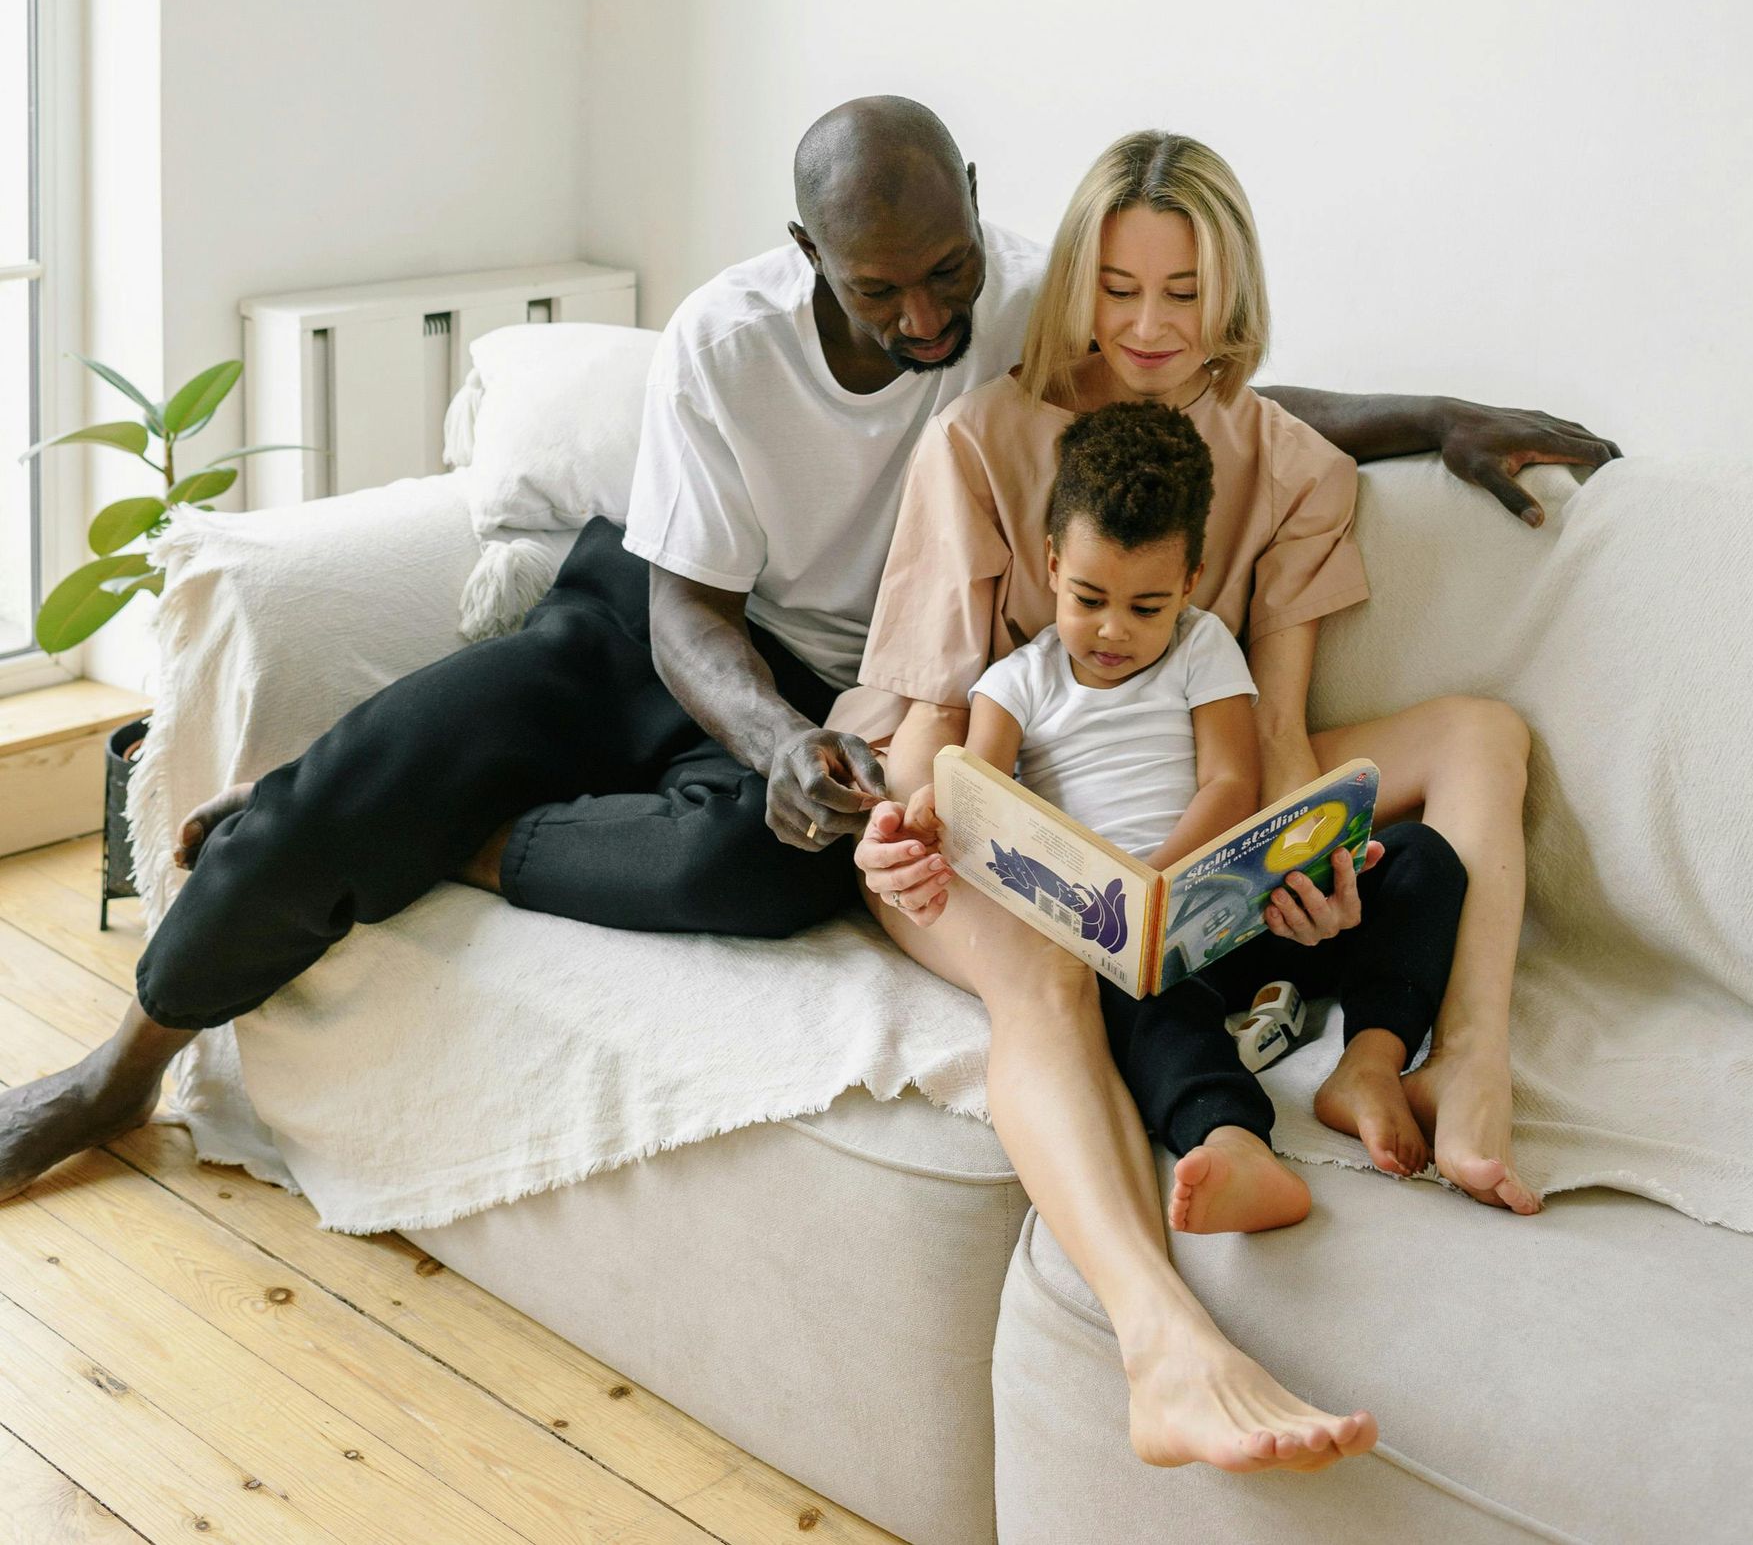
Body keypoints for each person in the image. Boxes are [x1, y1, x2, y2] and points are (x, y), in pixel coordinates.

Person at [0, 93, 1613, 1395]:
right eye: (879, 285)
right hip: (660, 630)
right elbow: (687, 613)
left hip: (836, 711)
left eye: (946, 274)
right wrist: (779, 739)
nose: (925, 313)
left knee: (763, 868)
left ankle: (465, 838)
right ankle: (120, 1072)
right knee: (386, 771)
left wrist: (1434, 419)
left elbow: (1193, 389)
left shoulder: (1022, 294)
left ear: (975, 213)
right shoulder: (731, 339)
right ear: (809, 255)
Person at [859, 129, 1550, 1220]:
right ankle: (1223, 1127)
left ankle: (1462, 1056)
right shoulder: (977, 442)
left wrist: (1305, 867)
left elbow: (1271, 733)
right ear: (1077, 281)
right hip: (1039, 818)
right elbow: (937, 719)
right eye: (1118, 288)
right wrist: (907, 828)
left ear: (1231, 293)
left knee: (1484, 733)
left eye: (1184, 293)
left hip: (1197, 795)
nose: (1148, 327)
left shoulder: (1293, 466)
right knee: (1110, 977)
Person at [953, 397, 1468, 1242]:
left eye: (1147, 606)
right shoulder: (1016, 684)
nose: (1113, 629)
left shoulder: (1202, 647)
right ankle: (1231, 1138)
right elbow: (982, 798)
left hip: (1233, 908)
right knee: (1139, 1004)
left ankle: (1371, 1063)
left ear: (1189, 583)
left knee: (1420, 856)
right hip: (1130, 948)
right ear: (1050, 563)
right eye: (1089, 598)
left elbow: (1232, 781)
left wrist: (1167, 876)